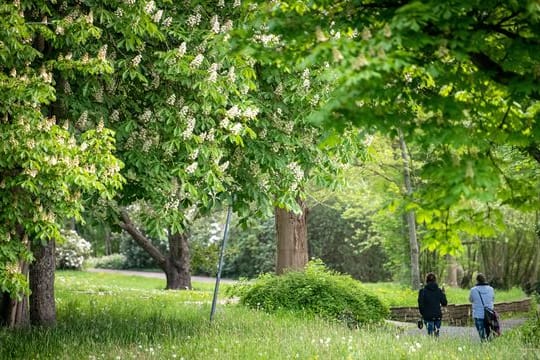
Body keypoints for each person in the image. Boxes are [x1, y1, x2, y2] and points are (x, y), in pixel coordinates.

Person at [418, 272, 448, 336]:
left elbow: (420, 305)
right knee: (436, 334)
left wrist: (423, 314)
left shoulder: (422, 291)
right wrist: (443, 294)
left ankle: (432, 344)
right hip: (437, 316)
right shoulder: (439, 291)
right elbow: (444, 303)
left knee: (430, 334)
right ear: (435, 280)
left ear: (426, 281)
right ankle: (436, 344)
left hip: (427, 316)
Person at [469, 273, 495, 341]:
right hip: (489, 314)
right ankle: (489, 345)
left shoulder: (473, 290)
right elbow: (492, 299)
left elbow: (471, 300)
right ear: (485, 280)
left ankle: (483, 345)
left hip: (478, 315)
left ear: (477, 280)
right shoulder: (491, 289)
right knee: (489, 332)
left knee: (481, 334)